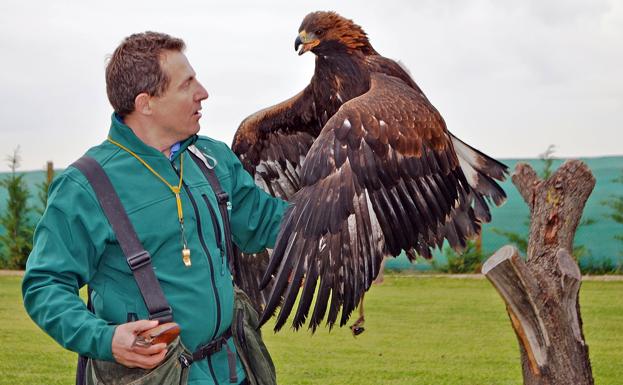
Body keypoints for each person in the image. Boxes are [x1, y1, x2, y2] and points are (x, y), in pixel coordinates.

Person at [22, 31, 288, 385]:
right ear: (146, 103)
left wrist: (352, 211)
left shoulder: (211, 159)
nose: (203, 92)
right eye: (187, 84)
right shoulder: (85, 185)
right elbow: (45, 285)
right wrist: (105, 339)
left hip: (232, 369)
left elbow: (268, 223)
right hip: (151, 377)